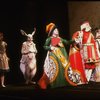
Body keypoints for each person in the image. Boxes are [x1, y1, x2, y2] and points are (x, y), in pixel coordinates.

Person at [38, 23, 75, 89]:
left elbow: (67, 42)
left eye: (57, 30)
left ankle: (65, 82)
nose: (57, 31)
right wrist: (50, 48)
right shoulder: (49, 39)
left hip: (62, 55)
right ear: (52, 32)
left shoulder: (60, 38)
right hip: (54, 54)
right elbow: (44, 46)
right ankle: (56, 84)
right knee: (56, 69)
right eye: (55, 30)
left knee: (63, 68)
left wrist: (74, 40)